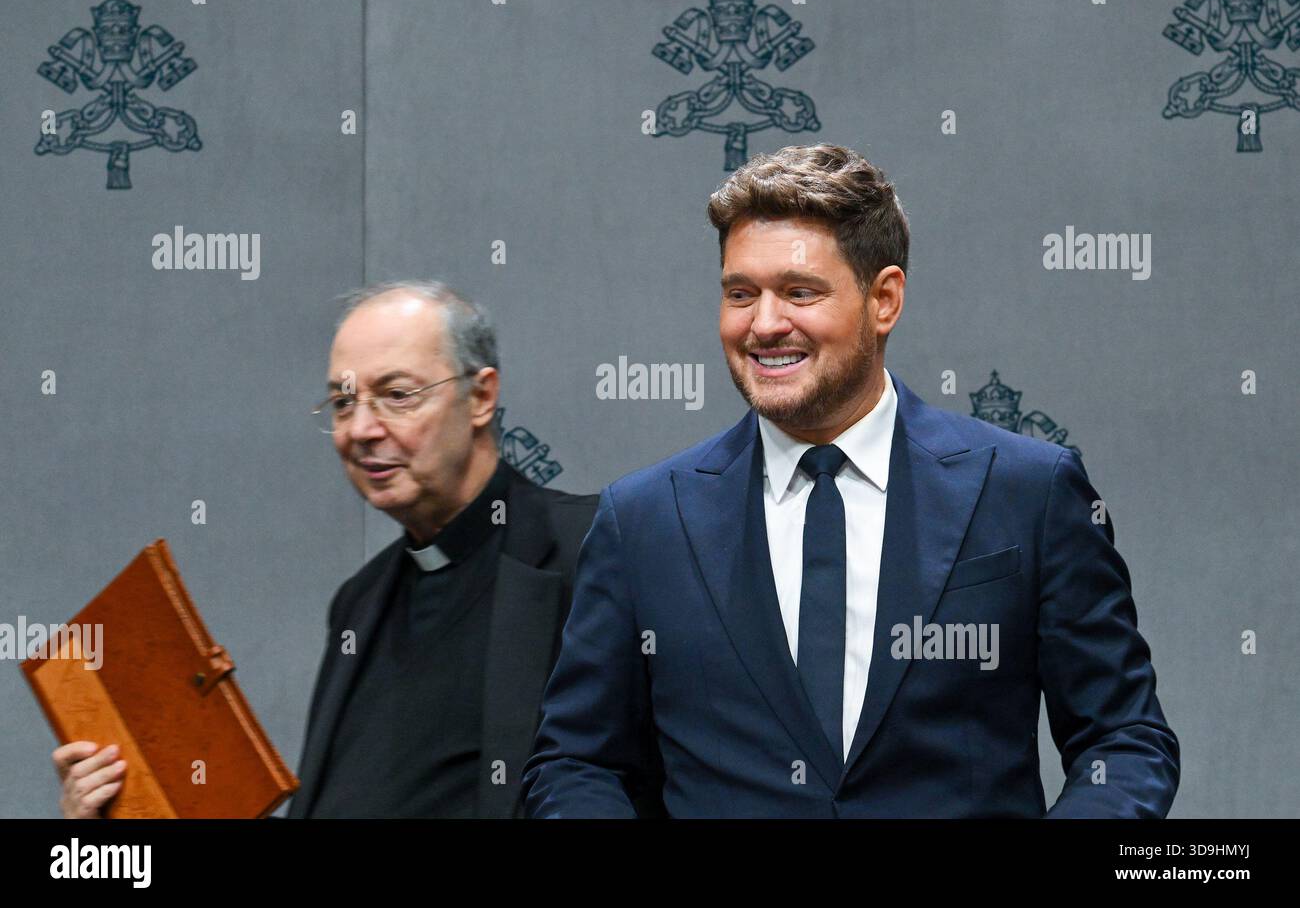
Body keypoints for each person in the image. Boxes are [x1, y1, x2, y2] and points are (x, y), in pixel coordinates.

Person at [522, 144, 1180, 817]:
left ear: (884, 299)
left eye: (799, 292)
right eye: (740, 293)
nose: (764, 323)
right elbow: (576, 763)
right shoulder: (644, 520)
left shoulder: (1028, 492)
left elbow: (1123, 742)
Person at [53, 281, 597, 818]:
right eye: (343, 401)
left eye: (397, 395)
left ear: (480, 397)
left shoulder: (593, 553)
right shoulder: (358, 604)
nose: (360, 428)